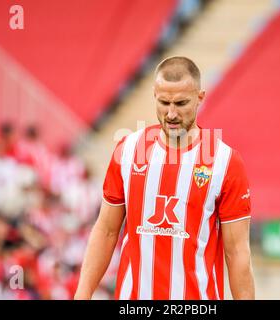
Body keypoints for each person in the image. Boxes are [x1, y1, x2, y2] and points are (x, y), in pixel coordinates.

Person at [75, 56, 254, 300]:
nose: (171, 113)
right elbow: (106, 230)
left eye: (181, 103)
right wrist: (82, 294)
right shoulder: (128, 150)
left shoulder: (225, 162)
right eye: (164, 102)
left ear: (200, 97)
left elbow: (237, 252)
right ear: (154, 95)